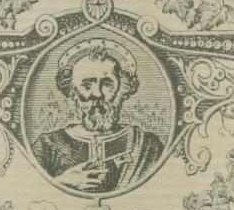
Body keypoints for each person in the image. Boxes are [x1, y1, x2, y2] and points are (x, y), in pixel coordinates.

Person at [32, 37, 164, 194]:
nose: (97, 94)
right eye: (87, 85)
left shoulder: (148, 145)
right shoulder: (48, 145)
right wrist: (62, 182)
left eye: (107, 84)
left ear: (123, 89)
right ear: (72, 91)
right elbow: (24, 193)